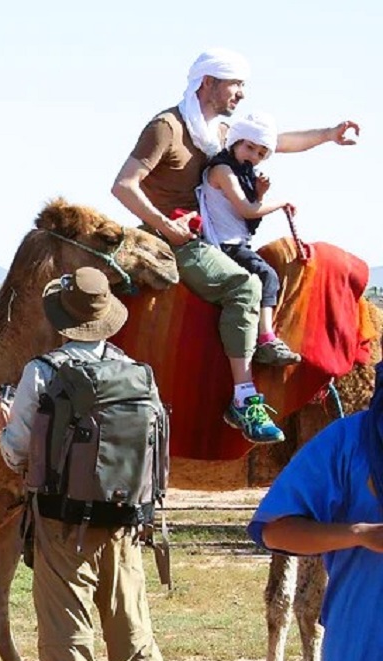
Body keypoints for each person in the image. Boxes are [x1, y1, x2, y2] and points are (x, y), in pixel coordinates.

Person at [0, 267, 188, 661]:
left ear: (62, 319)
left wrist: (8, 434)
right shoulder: (139, 373)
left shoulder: (44, 372)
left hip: (63, 528)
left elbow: (16, 451)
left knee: (68, 648)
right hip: (127, 527)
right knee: (135, 644)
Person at [111, 48, 359, 444]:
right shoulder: (167, 127)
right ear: (207, 83)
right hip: (170, 239)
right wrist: (165, 225)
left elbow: (279, 142)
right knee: (245, 286)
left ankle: (262, 343)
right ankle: (244, 400)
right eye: (236, 84)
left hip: (211, 235)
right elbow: (123, 185)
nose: (241, 93)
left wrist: (328, 135)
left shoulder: (221, 134)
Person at [248, 361, 383, 661]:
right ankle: (244, 396)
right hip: (367, 642)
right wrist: (359, 535)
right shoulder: (350, 442)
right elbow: (277, 527)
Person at [196, 112, 299, 366]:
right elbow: (246, 211)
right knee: (267, 276)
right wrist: (280, 203)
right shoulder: (222, 169)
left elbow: (247, 213)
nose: (253, 156)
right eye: (249, 147)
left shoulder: (242, 174)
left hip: (237, 242)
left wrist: (261, 195)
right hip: (225, 246)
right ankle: (266, 339)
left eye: (261, 153)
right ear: (235, 142)